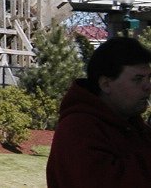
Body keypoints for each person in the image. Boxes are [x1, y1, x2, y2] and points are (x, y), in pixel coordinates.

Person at [46, 37, 151, 187]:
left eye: (149, 78)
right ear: (106, 84)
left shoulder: (133, 126)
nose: (147, 86)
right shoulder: (79, 129)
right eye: (138, 79)